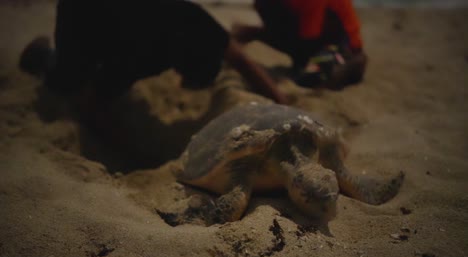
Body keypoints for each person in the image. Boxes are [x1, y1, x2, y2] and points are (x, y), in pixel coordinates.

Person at [20, 0, 288, 116]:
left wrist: (282, 103)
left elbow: (242, 61)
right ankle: (42, 54)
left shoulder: (198, 22)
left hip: (132, 16)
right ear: (181, 67)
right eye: (190, 80)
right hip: (83, 14)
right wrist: (127, 155)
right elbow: (93, 104)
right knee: (67, 83)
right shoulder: (142, 56)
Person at [232, 0, 368, 89]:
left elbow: (308, 41)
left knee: (313, 76)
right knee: (265, 5)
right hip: (311, 38)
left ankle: (343, 63)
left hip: (343, 45)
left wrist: (259, 34)